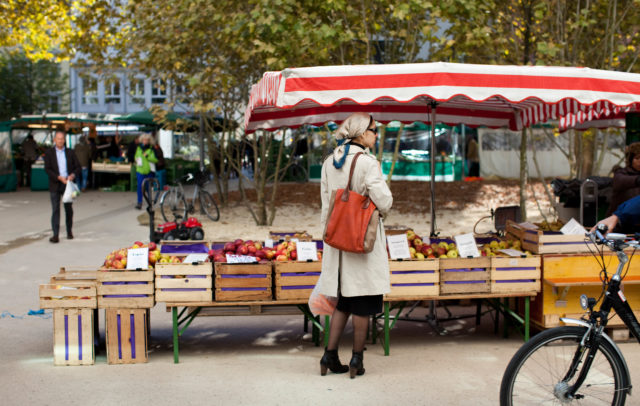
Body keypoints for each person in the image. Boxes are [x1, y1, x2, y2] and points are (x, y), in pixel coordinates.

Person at [316, 112, 393, 379]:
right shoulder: (368, 162)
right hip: (362, 238)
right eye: (374, 130)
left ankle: (329, 354)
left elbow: (326, 204)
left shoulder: (329, 162)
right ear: (361, 133)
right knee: (365, 298)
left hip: (337, 239)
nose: (376, 134)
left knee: (344, 301)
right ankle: (356, 360)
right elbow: (383, 200)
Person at [44, 128, 81, 243]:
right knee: (55, 209)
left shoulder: (70, 152)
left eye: (62, 139)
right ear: (55, 140)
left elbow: (78, 167)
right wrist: (58, 177)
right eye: (58, 139)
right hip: (55, 184)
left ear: (64, 140)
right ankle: (55, 234)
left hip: (68, 185)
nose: (60, 141)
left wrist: (72, 176)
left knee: (68, 209)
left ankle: (69, 231)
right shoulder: (49, 153)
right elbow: (47, 169)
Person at [606, 142, 640, 216]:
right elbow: (620, 181)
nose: (639, 161)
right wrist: (637, 180)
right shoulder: (621, 173)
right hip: (619, 222)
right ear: (630, 160)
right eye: (637, 158)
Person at [134, 133, 157, 209]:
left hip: (149, 171)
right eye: (144, 140)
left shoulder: (151, 149)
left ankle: (150, 202)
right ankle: (139, 202)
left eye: (147, 140)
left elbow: (155, 159)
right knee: (140, 187)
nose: (145, 141)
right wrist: (137, 159)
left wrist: (147, 156)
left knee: (148, 187)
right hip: (140, 170)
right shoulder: (139, 148)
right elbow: (136, 156)